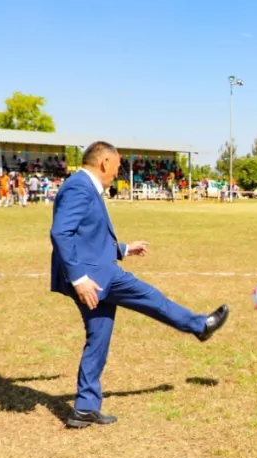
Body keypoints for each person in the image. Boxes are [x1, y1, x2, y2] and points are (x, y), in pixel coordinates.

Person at [50, 142, 230, 429]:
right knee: (151, 298)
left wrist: (122, 248)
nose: (118, 173)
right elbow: (61, 232)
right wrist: (79, 279)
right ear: (105, 163)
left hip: (96, 272)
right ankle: (200, 326)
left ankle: (85, 408)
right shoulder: (79, 187)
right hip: (96, 277)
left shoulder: (82, 186)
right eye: (118, 166)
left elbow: (87, 235)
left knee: (98, 338)